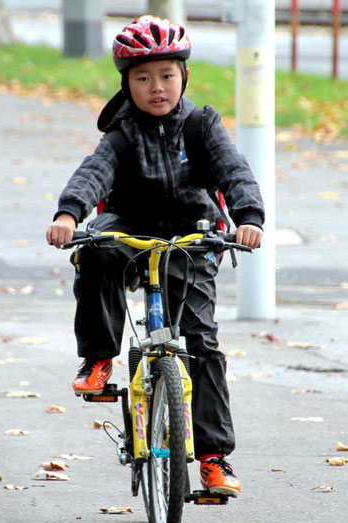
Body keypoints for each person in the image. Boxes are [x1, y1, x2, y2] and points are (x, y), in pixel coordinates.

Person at [45, 15, 264, 497]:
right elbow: (92, 174)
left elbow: (235, 171)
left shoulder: (202, 125)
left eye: (166, 75)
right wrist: (68, 214)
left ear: (183, 77)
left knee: (202, 345)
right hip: (131, 226)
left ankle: (213, 459)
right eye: (142, 78)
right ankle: (99, 358)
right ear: (127, 84)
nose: (156, 87)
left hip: (192, 233)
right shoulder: (122, 134)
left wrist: (248, 218)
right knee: (97, 252)